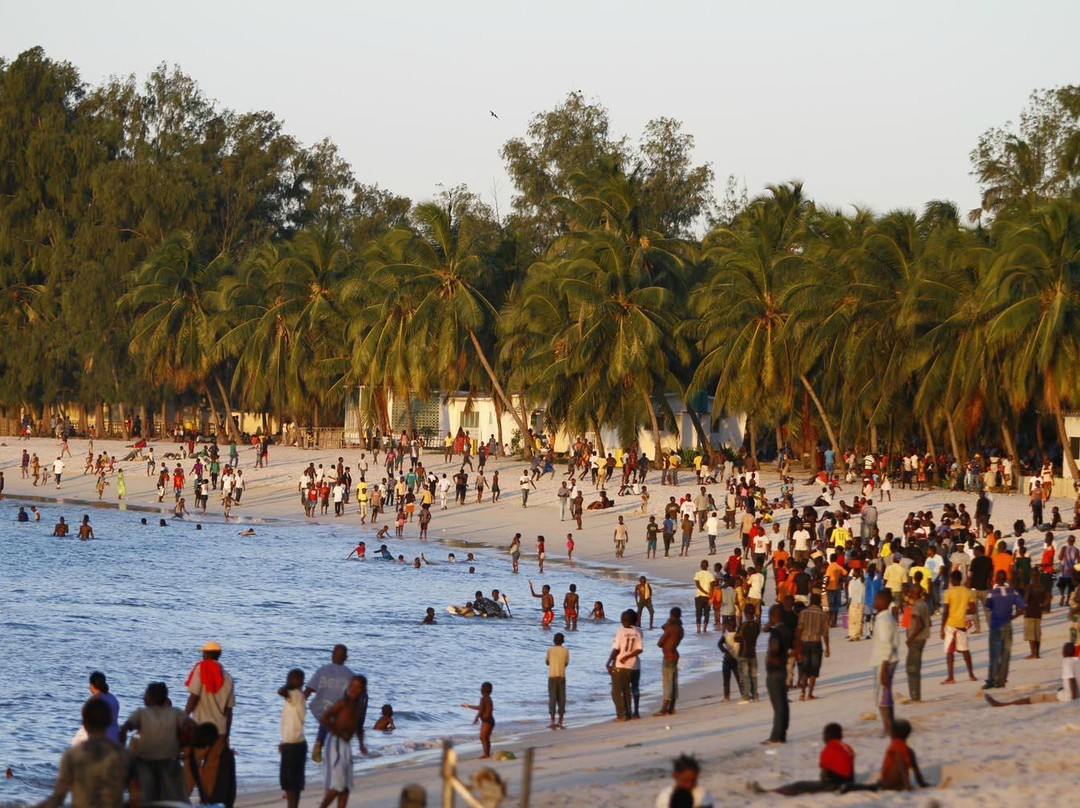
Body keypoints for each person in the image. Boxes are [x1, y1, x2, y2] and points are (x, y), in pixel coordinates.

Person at [35, 698, 135, 808]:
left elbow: (58, 798)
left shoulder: (72, 755)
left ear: (85, 725)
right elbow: (137, 796)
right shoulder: (124, 756)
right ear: (109, 723)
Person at [119, 681, 193, 804]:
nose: (144, 697)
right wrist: (184, 748)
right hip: (169, 763)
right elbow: (192, 726)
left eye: (146, 694)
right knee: (176, 797)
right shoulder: (175, 712)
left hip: (146, 764)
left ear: (150, 698)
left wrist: (122, 749)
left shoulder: (141, 713)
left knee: (145, 797)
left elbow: (125, 728)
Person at [183, 640, 235, 800]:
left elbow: (194, 696)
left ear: (205, 654)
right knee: (211, 770)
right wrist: (227, 734)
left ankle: (182, 800)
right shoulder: (228, 677)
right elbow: (229, 710)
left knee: (191, 767)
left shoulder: (201, 669)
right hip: (219, 731)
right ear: (219, 655)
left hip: (201, 730)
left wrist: (184, 717)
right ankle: (207, 802)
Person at [749, 722, 855, 795]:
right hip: (849, 782)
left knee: (799, 786)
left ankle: (768, 792)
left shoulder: (828, 749)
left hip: (835, 785)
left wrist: (823, 783)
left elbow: (823, 774)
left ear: (827, 736)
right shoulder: (847, 747)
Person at [318, 675, 368, 807]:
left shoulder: (359, 707)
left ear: (363, 690)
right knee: (338, 785)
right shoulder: (342, 703)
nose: (353, 690)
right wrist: (339, 732)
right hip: (335, 743)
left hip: (346, 746)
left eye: (358, 688)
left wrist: (361, 744)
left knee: (346, 788)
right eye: (351, 686)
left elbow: (359, 728)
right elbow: (324, 718)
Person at [985, 642, 1080, 705]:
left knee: (1032, 699)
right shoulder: (1077, 661)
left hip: (1066, 697)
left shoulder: (1066, 662)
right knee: (1059, 689)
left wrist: (1072, 700)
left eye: (1063, 650)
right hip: (1073, 694)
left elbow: (1071, 680)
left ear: (1065, 652)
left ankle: (1003, 704)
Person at [305, 645, 355, 764]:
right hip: (339, 711)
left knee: (325, 723)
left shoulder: (322, 670)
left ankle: (319, 743)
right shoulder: (350, 675)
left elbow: (309, 689)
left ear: (332, 655)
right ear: (346, 657)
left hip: (321, 708)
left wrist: (297, 703)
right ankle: (330, 756)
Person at [985, 569, 1026, 689]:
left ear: (997, 579)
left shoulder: (992, 592)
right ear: (1006, 579)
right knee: (1005, 654)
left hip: (995, 625)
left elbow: (988, 606)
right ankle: (1001, 680)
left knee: (994, 653)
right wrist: (1013, 616)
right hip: (1007, 624)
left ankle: (992, 680)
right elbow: (1023, 607)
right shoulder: (1013, 592)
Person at [868, 590, 899, 735]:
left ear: (883, 602)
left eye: (876, 599)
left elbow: (887, 642)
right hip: (887, 659)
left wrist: (884, 667)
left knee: (881, 697)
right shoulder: (887, 618)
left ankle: (888, 727)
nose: (874, 601)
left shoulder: (883, 620)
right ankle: (890, 726)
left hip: (884, 661)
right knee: (886, 695)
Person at [277, 669, 307, 808]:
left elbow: (281, 691)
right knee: (293, 782)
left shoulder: (296, 695)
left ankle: (292, 806)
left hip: (294, 744)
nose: (288, 681)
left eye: (291, 678)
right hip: (294, 742)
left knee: (290, 782)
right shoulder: (296, 695)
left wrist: (288, 685)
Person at [940, 569, 977, 683]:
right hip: (962, 625)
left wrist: (942, 627)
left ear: (951, 580)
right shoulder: (967, 592)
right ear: (961, 580)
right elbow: (973, 609)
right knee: (965, 650)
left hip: (951, 625)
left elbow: (946, 611)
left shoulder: (949, 593)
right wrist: (963, 612)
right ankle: (971, 674)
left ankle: (951, 677)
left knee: (949, 652)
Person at [763, 604, 793, 744]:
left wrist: (771, 656)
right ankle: (782, 733)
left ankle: (776, 736)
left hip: (774, 670)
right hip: (782, 669)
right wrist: (787, 656)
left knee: (778, 704)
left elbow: (774, 646)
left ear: (774, 616)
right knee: (783, 703)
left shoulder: (776, 632)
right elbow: (798, 645)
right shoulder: (786, 629)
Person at [607, 609, 643, 721]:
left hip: (621, 665)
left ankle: (622, 715)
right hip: (634, 665)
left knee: (617, 692)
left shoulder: (620, 631)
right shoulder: (638, 632)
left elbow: (616, 649)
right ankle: (633, 712)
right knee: (632, 690)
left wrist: (608, 662)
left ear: (622, 620)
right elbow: (639, 649)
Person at [795, 593, 829, 700]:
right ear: (819, 602)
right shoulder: (823, 614)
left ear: (810, 601)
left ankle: (802, 692)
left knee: (805, 668)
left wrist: (797, 646)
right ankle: (810, 693)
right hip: (816, 643)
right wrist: (827, 647)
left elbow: (799, 629)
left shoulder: (803, 613)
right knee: (814, 669)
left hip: (804, 642)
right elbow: (825, 633)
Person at [656, 607, 684, 716]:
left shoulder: (671, 628)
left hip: (668, 656)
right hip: (675, 655)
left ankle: (664, 708)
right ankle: (672, 707)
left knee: (667, 682)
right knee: (673, 681)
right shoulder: (680, 629)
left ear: (671, 615)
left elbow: (660, 643)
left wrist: (668, 625)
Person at [905, 583, 930, 702]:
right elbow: (928, 623)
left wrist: (910, 638)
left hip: (916, 639)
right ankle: (916, 694)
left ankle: (915, 696)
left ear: (914, 592)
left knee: (912, 668)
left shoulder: (915, 606)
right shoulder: (924, 604)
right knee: (916, 666)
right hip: (923, 638)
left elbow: (919, 624)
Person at [461, 682, 495, 759]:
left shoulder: (483, 699)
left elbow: (481, 710)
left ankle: (486, 755)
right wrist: (468, 706)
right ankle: (487, 754)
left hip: (487, 721)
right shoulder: (488, 698)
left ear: (481, 690)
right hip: (490, 721)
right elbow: (480, 708)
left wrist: (476, 718)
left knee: (483, 737)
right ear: (491, 691)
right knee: (485, 737)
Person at [736, 604, 760, 702]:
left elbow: (737, 638)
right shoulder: (756, 625)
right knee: (753, 676)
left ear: (745, 613)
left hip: (743, 653)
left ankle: (746, 697)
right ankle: (755, 696)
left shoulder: (743, 625)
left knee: (744, 676)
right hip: (753, 653)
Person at [546, 633, 569, 729]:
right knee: (562, 698)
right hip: (562, 676)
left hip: (552, 676)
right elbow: (566, 663)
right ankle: (560, 722)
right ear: (562, 641)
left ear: (554, 640)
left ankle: (552, 722)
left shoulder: (550, 650)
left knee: (552, 698)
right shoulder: (565, 650)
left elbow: (547, 662)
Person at [693, 560, 715, 633]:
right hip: (707, 597)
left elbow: (698, 585)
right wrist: (711, 596)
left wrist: (705, 592)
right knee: (707, 613)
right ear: (707, 566)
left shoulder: (697, 574)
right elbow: (712, 586)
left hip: (699, 596)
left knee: (698, 613)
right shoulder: (710, 575)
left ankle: (698, 629)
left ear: (701, 566)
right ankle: (705, 629)